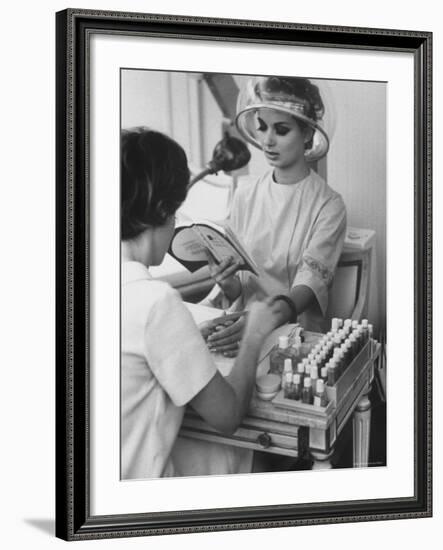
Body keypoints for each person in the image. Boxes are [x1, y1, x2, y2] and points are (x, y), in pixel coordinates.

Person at [121, 127, 280, 480]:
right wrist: (254, 334)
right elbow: (227, 416)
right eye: (175, 212)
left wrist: (188, 335)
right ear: (164, 210)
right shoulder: (155, 301)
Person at [205, 76, 347, 357]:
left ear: (307, 133)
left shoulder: (329, 205)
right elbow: (240, 285)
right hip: (241, 329)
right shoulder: (245, 193)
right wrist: (227, 282)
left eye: (281, 130)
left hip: (293, 337)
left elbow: (309, 285)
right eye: (262, 127)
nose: (267, 140)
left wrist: (261, 323)